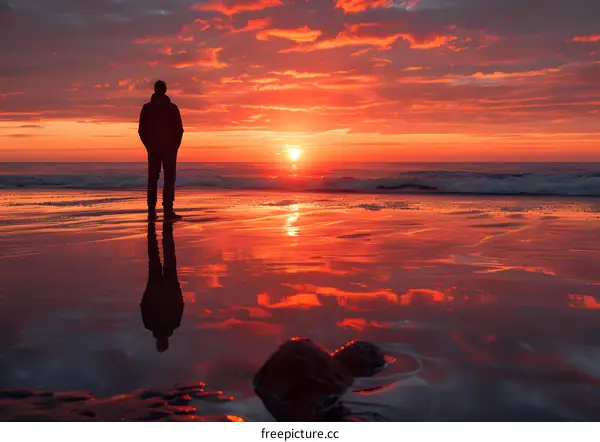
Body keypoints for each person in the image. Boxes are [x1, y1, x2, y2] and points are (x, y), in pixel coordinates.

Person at [138, 80, 184, 220]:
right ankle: (168, 209)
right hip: (168, 148)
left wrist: (149, 145)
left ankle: (151, 211)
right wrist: (174, 146)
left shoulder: (147, 108)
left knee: (153, 178)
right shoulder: (172, 108)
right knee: (169, 178)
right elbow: (179, 130)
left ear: (155, 90)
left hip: (154, 148)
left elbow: (141, 131)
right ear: (165, 90)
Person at [141, 222, 184, 353]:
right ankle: (156, 226)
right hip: (163, 289)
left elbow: (144, 305)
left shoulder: (170, 324)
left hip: (162, 289)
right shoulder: (152, 325)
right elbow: (144, 305)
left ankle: (159, 226)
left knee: (164, 254)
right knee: (158, 255)